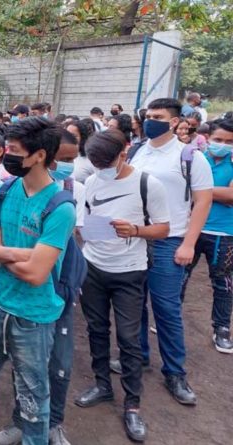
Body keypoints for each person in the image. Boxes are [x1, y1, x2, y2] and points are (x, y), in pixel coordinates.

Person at [0, 117, 76, 445]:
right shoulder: (4, 191)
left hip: (33, 316)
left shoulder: (60, 206)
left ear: (39, 155)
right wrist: (19, 254)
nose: (5, 156)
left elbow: (38, 274)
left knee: (32, 397)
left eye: (13, 150)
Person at [72, 129, 170, 443]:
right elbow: (84, 220)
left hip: (129, 271)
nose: (101, 168)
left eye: (106, 161)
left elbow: (165, 229)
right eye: (95, 162)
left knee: (128, 338)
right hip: (94, 267)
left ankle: (132, 403)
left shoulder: (147, 184)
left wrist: (137, 230)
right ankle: (102, 385)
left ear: (124, 152)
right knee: (96, 330)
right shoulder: (91, 181)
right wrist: (83, 233)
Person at [128, 98, 212, 406]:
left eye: (158, 116)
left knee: (166, 309)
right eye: (148, 115)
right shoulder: (137, 151)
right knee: (134, 304)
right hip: (137, 239)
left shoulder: (190, 156)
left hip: (169, 242)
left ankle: (175, 372)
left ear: (175, 122)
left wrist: (189, 243)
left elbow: (201, 202)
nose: (151, 120)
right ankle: (138, 357)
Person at [178, 119, 233, 353]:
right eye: (219, 140)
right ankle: (169, 318)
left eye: (230, 142)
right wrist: (216, 192)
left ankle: (221, 328)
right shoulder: (196, 159)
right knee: (179, 276)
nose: (223, 145)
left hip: (223, 233)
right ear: (208, 138)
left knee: (223, 283)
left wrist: (199, 189)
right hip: (191, 228)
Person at [66, 119, 96, 183]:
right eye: (67, 134)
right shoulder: (57, 156)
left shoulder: (91, 159)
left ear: (82, 137)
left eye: (73, 135)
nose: (68, 138)